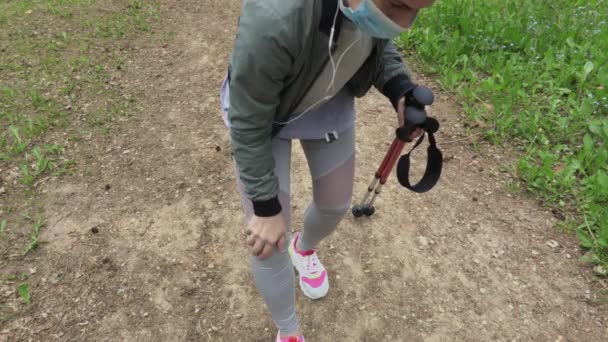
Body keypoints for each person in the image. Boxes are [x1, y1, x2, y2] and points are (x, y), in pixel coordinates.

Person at [220, 0, 436, 340]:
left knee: (335, 205)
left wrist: (399, 89)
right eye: (396, 6)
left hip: (327, 98)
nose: (405, 23)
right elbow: (247, 122)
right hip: (264, 118)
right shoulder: (275, 15)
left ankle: (303, 247)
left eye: (418, 9)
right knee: (268, 238)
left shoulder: (366, 8)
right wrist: (265, 206)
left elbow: (374, 43)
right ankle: (288, 330)